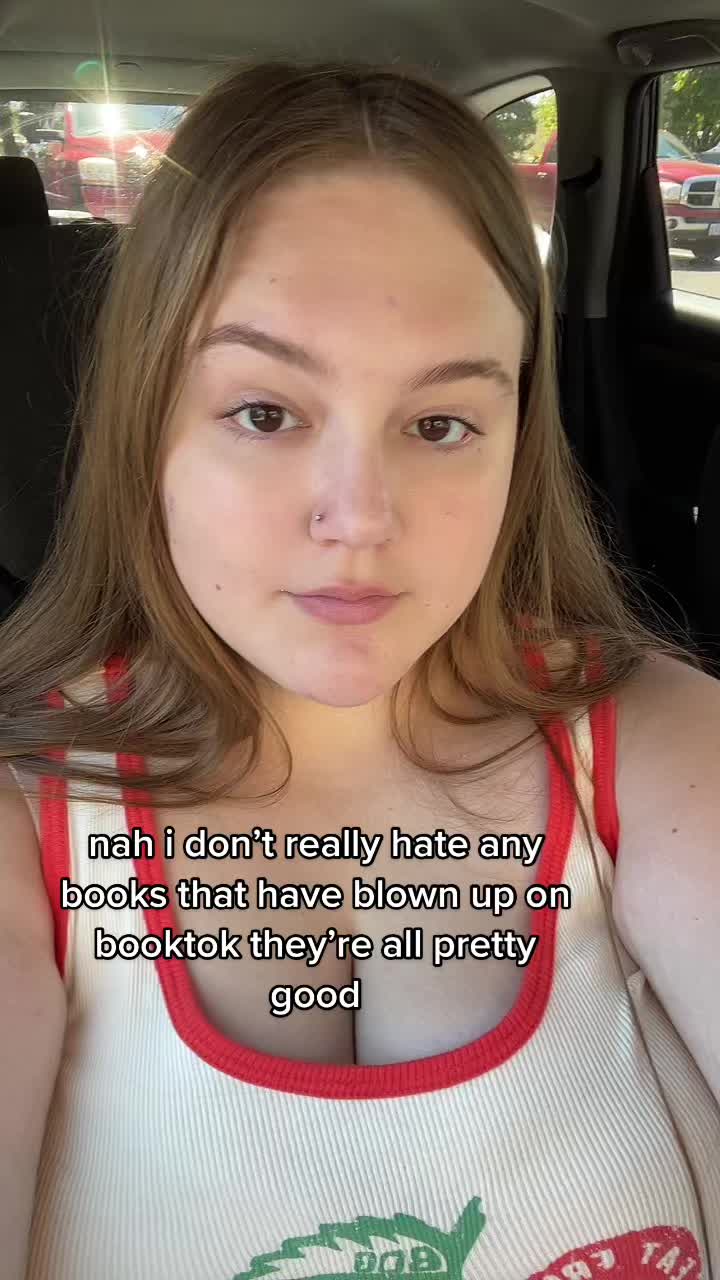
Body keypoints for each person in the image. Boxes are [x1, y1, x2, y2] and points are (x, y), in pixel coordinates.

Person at [0, 57, 718, 1280]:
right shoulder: (27, 817)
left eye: (440, 423)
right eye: (266, 412)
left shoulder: (661, 743)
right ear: (147, 425)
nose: (362, 517)